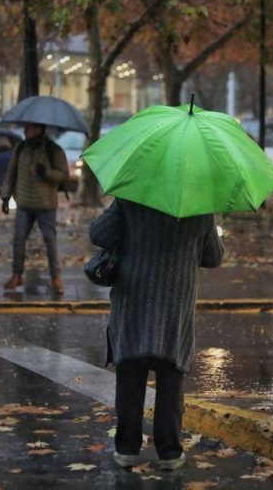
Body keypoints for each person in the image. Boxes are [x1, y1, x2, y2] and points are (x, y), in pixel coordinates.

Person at [89, 198, 224, 470]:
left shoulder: (132, 196)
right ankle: (170, 452)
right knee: (171, 382)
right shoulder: (199, 204)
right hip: (175, 303)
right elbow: (213, 257)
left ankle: (127, 448)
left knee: (129, 378)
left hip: (134, 300)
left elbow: (98, 234)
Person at [1, 122, 69, 294]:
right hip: (24, 203)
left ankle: (56, 278)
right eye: (25, 127)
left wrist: (45, 172)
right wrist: (5, 196)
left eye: (30, 128)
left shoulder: (53, 150)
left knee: (50, 241)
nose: (25, 130)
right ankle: (16, 275)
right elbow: (11, 172)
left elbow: (63, 175)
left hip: (45, 205)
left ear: (40, 129)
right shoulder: (21, 148)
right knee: (18, 239)